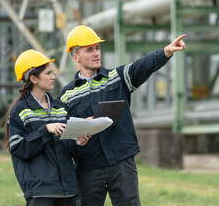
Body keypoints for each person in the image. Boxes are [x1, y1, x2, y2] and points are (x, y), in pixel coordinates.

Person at [58, 25, 186, 206]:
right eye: (89, 50)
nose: (96, 53)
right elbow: (63, 137)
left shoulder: (117, 77)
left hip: (121, 161)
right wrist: (76, 142)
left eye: (97, 48)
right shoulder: (66, 95)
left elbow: (142, 66)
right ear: (75, 56)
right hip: (88, 166)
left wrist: (166, 52)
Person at [4, 49, 91, 206]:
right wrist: (45, 130)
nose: (53, 77)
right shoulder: (20, 111)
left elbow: (67, 145)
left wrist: (78, 143)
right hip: (41, 191)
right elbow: (18, 148)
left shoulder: (61, 108)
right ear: (33, 78)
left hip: (68, 190)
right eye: (48, 73)